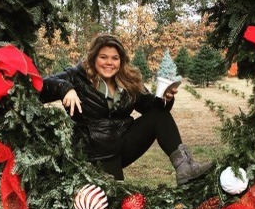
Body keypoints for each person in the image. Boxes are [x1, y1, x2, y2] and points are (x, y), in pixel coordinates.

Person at [39, 34, 212, 184]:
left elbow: (152, 107)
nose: (109, 63)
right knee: (108, 204)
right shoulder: (77, 76)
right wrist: (65, 88)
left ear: (121, 60)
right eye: (103, 57)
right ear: (93, 58)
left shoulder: (128, 81)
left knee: (159, 115)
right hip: (93, 154)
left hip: (123, 143)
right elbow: (41, 85)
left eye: (115, 58)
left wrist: (166, 98)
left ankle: (185, 168)